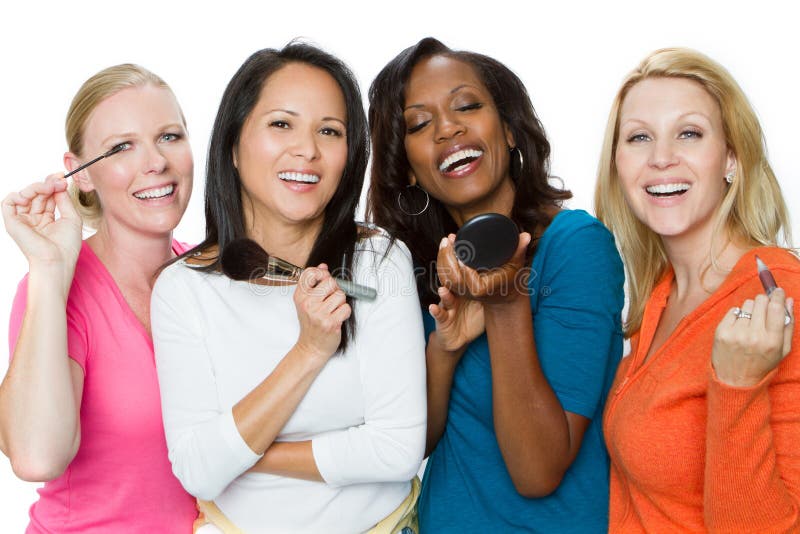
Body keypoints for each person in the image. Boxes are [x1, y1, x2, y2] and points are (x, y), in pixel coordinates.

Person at [151, 43, 426, 533]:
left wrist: (244, 453)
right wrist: (309, 350)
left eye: (330, 131)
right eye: (282, 124)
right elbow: (197, 472)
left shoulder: (380, 262)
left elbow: (397, 450)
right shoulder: (183, 288)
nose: (308, 150)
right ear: (233, 146)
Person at [367, 37, 624, 532]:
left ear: (508, 130)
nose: (448, 128)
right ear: (410, 170)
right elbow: (408, 446)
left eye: (467, 105)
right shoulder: (418, 268)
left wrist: (506, 307)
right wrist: (444, 348)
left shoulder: (576, 246)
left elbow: (537, 471)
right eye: (420, 124)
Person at [595, 47, 799, 532]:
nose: (662, 158)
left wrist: (738, 387)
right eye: (639, 137)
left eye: (689, 133)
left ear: (731, 157)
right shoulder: (658, 296)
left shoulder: (779, 299)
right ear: (618, 164)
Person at [0, 64, 196, 532]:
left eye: (169, 136)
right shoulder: (55, 290)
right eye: (121, 147)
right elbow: (35, 457)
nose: (155, 162)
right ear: (80, 175)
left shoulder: (209, 273)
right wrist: (49, 270)